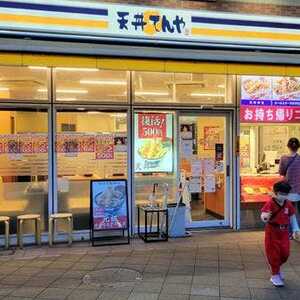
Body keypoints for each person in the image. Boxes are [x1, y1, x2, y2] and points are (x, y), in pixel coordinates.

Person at [261, 181, 299, 287]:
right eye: (281, 193)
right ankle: (275, 275)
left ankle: (277, 268)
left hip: (284, 232)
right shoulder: (270, 203)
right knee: (274, 254)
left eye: (285, 194)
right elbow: (264, 216)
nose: (283, 196)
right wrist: (265, 217)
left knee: (285, 254)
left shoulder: (288, 204)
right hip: (272, 232)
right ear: (275, 192)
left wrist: (296, 228)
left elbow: (292, 216)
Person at [279, 137, 300, 240]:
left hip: (289, 191)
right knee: (298, 212)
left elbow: (282, 174)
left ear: (288, 146)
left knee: (288, 213)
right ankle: (298, 233)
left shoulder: (283, 158)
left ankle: (289, 233)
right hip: (299, 191)